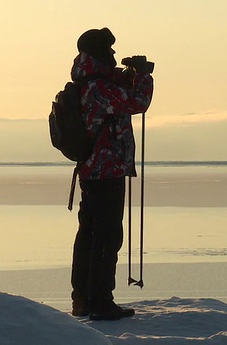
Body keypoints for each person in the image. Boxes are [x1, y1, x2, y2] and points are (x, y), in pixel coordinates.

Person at [69, 28, 154, 320]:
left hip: (92, 170)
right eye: (110, 50)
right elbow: (136, 102)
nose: (115, 56)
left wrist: (131, 72)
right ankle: (101, 302)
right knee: (106, 237)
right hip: (106, 170)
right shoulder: (99, 88)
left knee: (89, 235)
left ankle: (83, 299)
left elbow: (119, 89)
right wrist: (143, 76)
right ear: (99, 54)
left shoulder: (86, 82)